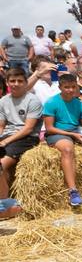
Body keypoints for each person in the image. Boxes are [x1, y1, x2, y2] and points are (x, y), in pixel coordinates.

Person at [42, 73, 82, 208]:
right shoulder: (51, 102)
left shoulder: (80, 104)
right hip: (58, 133)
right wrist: (71, 135)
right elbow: (49, 128)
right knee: (67, 148)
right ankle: (73, 191)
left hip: (76, 131)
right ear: (60, 87)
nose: (70, 90)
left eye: (73, 87)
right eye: (66, 87)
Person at [0, 66, 43, 212]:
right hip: (7, 136)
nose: (16, 84)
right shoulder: (3, 101)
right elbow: (1, 126)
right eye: (12, 81)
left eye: (19, 81)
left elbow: (28, 128)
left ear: (25, 82)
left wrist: (5, 141)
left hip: (26, 138)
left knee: (0, 164)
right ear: (7, 82)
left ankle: (5, 206)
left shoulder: (33, 101)